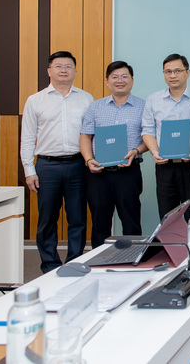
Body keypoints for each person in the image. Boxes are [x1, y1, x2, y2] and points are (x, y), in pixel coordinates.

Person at [20, 51, 94, 273]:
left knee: (78, 218)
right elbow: (27, 137)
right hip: (47, 166)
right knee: (47, 219)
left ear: (75, 71)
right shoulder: (35, 100)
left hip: (78, 165)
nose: (63, 70)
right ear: (49, 71)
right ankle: (50, 266)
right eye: (58, 66)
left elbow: (92, 135)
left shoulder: (86, 99)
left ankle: (74, 263)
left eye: (68, 66)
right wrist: (29, 170)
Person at [80, 61, 148, 248]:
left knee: (131, 221)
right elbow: (85, 136)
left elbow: (150, 138)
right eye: (115, 77)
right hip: (98, 173)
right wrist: (88, 160)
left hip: (128, 172)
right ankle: (99, 259)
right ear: (107, 81)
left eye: (124, 76)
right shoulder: (95, 107)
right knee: (99, 222)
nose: (120, 80)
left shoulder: (143, 107)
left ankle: (133, 258)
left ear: (132, 80)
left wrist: (136, 151)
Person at [141, 53, 190, 219]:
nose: (172, 75)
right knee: (167, 216)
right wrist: (154, 152)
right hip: (165, 166)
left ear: (188, 72)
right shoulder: (153, 99)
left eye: (177, 71)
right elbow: (147, 130)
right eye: (168, 72)